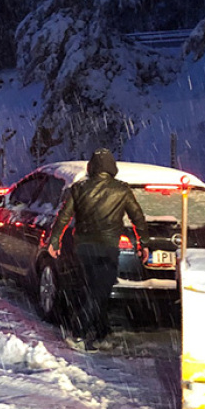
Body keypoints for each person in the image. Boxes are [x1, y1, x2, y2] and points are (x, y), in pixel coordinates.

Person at [48, 148, 147, 351]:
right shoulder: (122, 190)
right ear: (112, 167)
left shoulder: (79, 188)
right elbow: (138, 217)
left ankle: (102, 333)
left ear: (91, 167)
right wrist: (143, 243)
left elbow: (64, 217)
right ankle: (79, 333)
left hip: (83, 247)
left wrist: (55, 241)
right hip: (108, 247)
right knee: (99, 291)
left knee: (94, 289)